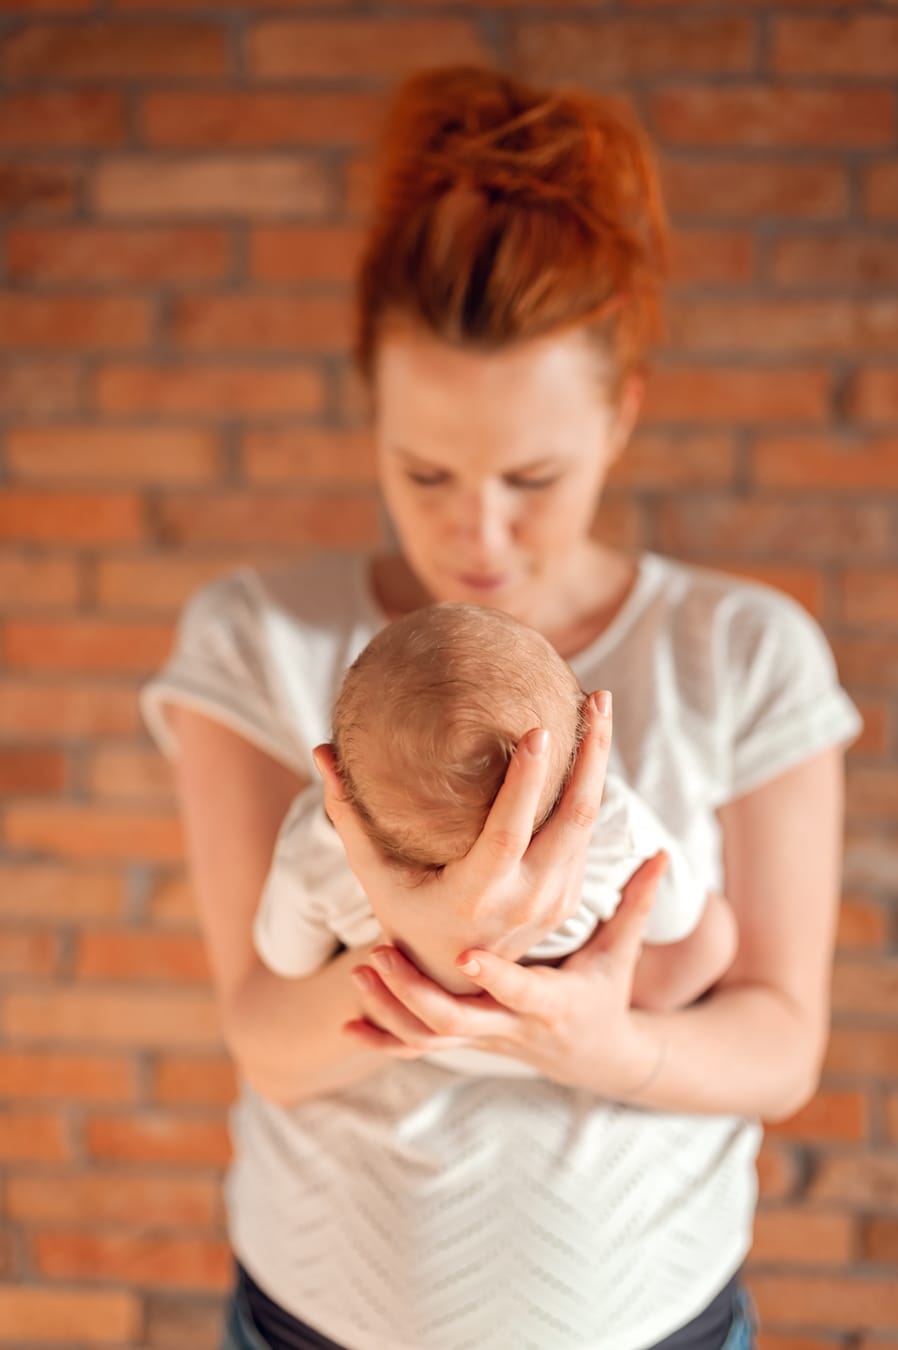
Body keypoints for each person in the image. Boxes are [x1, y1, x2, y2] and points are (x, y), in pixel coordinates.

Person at [141, 63, 862, 1350]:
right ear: (369, 413)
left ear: (620, 418)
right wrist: (427, 955)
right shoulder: (258, 636)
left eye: (532, 475)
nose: (474, 534)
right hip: (311, 1319)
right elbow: (269, 1037)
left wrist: (598, 1042)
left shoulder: (744, 651)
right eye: (425, 470)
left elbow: (777, 1046)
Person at [252, 599, 739, 1082]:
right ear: (584, 754)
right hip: (564, 1018)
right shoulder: (610, 820)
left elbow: (286, 958)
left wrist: (419, 955)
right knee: (710, 936)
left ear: (340, 771)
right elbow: (676, 920)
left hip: (426, 1029)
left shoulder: (319, 842)